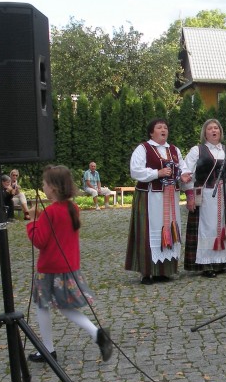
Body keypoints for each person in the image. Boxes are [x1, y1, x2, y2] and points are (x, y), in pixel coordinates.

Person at [25, 165, 112, 364]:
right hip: (69, 266)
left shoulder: (50, 213)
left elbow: (39, 240)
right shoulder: (73, 208)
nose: (43, 187)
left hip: (49, 268)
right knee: (64, 307)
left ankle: (48, 349)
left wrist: (32, 221)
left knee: (42, 306)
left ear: (53, 188)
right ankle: (96, 333)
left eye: (44, 184)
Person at [180, 119, 226, 277]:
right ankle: (206, 263)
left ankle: (222, 261)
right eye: (210, 128)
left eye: (216, 128)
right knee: (208, 227)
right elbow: (187, 173)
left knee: (224, 225)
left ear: (220, 132)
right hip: (208, 194)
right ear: (205, 132)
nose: (214, 131)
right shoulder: (197, 150)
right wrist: (189, 193)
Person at [126, 118, 184, 284]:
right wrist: (157, 173)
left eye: (165, 127)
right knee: (148, 231)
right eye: (159, 127)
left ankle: (164, 271)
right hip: (150, 197)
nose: (163, 129)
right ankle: (147, 272)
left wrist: (185, 176)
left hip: (170, 198)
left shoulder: (173, 150)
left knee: (169, 229)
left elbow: (183, 167)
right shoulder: (143, 148)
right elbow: (135, 171)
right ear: (151, 132)